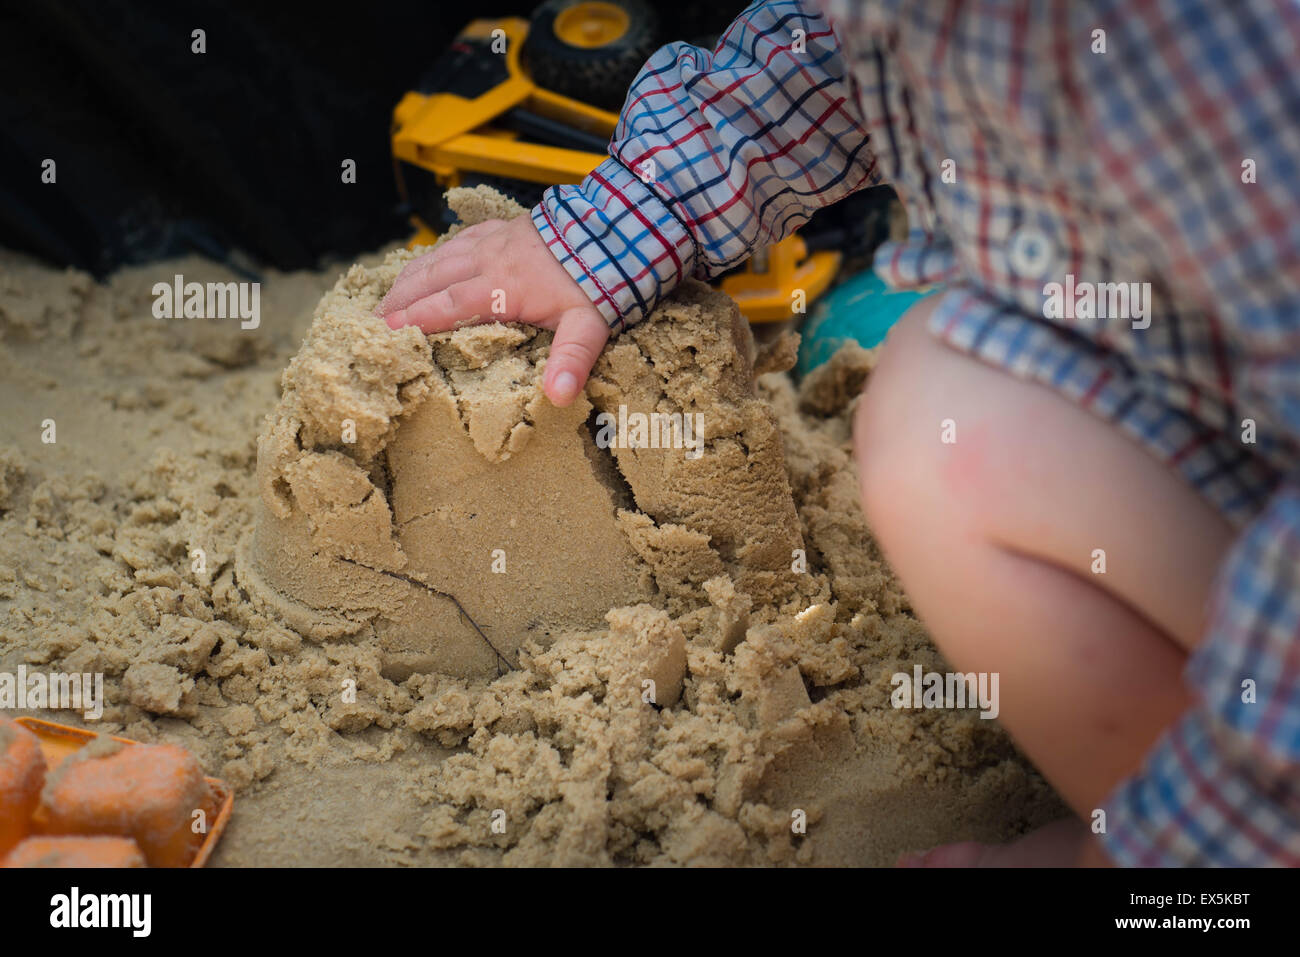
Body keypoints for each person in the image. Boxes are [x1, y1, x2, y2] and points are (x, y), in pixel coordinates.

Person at [377, 0, 1300, 866]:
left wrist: (1185, 843)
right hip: (1215, 377)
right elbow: (840, 52)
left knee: (941, 411)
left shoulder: (1223, 56)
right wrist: (619, 226)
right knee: (944, 407)